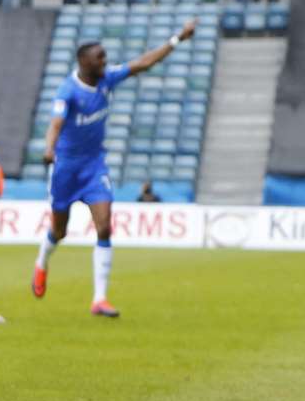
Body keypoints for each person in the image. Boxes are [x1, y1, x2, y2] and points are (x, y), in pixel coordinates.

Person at [32, 19, 198, 316]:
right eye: (100, 57)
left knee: (105, 225)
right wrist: (48, 149)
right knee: (59, 231)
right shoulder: (68, 91)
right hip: (66, 169)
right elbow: (55, 123)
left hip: (94, 166)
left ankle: (99, 299)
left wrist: (177, 39)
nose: (105, 61)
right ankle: (42, 262)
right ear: (84, 62)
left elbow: (143, 63)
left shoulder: (107, 79)